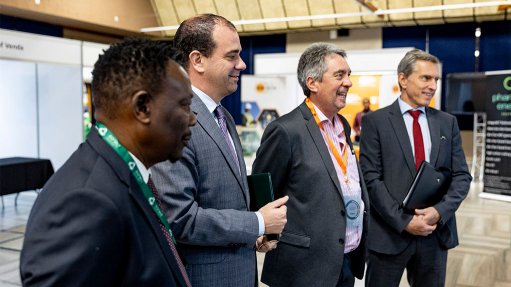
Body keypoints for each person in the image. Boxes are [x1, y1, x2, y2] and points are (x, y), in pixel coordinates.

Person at [20, 38, 196, 286]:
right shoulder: (86, 201)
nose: (192, 120)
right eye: (185, 105)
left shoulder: (121, 173)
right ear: (143, 107)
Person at [151, 14, 288, 286]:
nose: (242, 64)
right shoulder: (172, 121)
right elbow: (180, 219)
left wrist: (253, 233)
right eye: (232, 56)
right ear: (197, 60)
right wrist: (257, 223)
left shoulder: (221, 114)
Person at [252, 42, 369, 287]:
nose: (348, 82)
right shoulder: (285, 130)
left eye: (349, 75)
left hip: (345, 259)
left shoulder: (343, 125)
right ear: (312, 82)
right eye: (339, 75)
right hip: (303, 267)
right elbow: (264, 191)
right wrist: (266, 234)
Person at [359, 48, 472, 287]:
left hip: (435, 234)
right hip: (389, 235)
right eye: (425, 78)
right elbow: (370, 179)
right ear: (403, 78)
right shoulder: (375, 122)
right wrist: (404, 221)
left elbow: (462, 175)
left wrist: (439, 212)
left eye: (436, 79)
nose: (433, 86)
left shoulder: (447, 123)